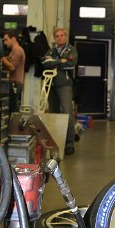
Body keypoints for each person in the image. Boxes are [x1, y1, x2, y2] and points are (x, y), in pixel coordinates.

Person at [41, 27, 78, 156]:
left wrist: (53, 62)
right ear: (54, 38)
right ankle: (56, 141)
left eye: (62, 35)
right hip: (51, 85)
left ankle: (69, 143)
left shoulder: (71, 50)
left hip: (64, 85)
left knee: (67, 113)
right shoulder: (51, 50)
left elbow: (71, 64)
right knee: (53, 113)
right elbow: (44, 62)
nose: (60, 38)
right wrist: (60, 61)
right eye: (57, 36)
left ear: (65, 37)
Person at [1, 31, 25, 114]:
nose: (5, 42)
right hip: (14, 83)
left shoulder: (18, 50)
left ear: (13, 39)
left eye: (6, 40)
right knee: (12, 109)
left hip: (15, 83)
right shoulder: (13, 51)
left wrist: (2, 59)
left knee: (13, 110)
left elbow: (12, 67)